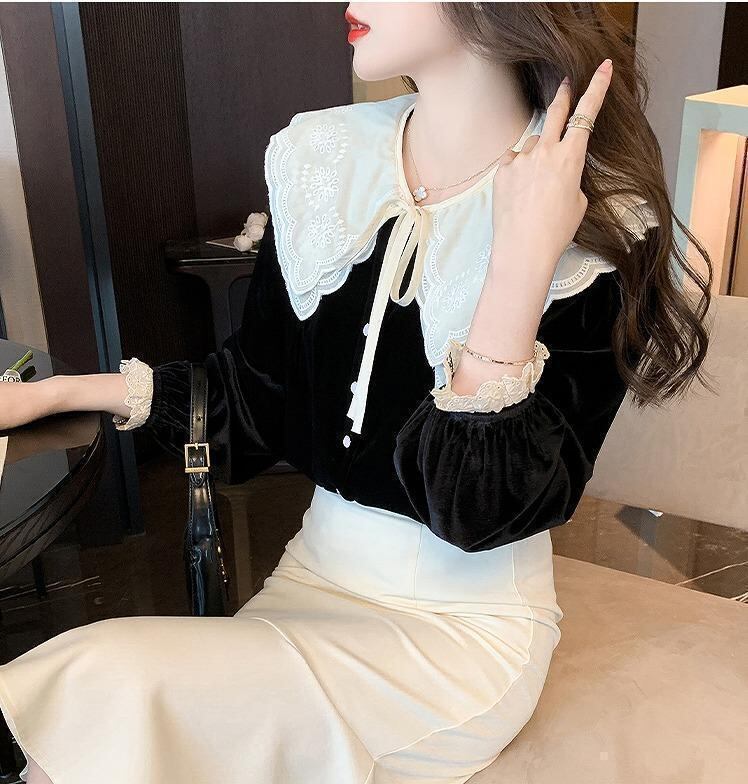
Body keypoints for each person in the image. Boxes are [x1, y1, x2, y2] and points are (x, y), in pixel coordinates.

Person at [0, 3, 712, 783]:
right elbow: (255, 397)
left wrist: (520, 260)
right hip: (309, 585)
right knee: (109, 733)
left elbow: (481, 513)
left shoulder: (595, 214)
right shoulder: (321, 156)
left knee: (111, 681)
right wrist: (56, 394)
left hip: (458, 640)